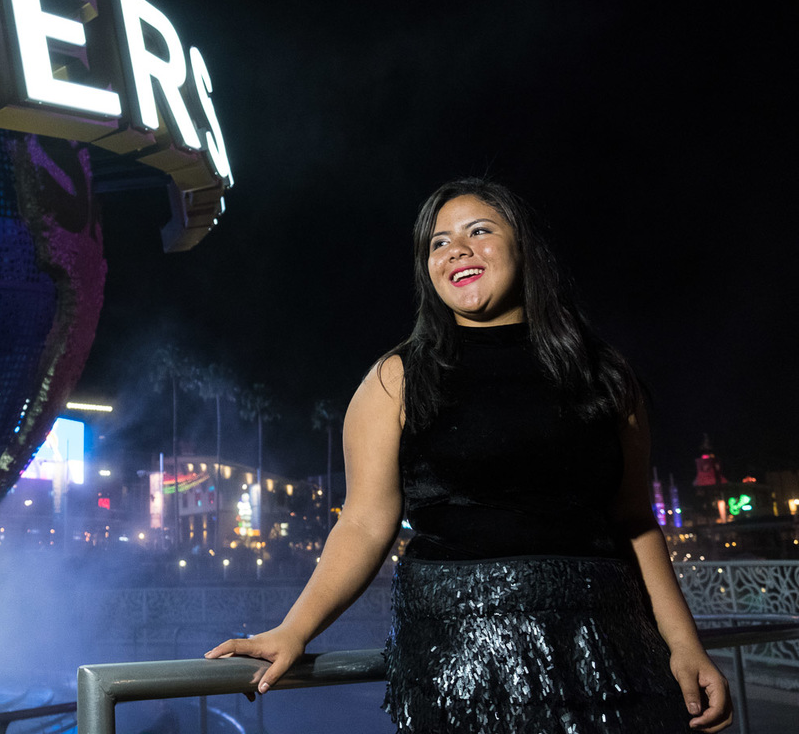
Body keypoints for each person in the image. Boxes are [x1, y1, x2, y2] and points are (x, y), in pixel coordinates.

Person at [205, 178, 731, 732]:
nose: (456, 249)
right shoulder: (395, 380)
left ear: (523, 247)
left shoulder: (604, 374)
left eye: (479, 231)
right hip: (461, 655)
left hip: (612, 649)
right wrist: (294, 630)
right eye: (438, 242)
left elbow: (636, 523)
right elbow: (362, 524)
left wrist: (685, 646)